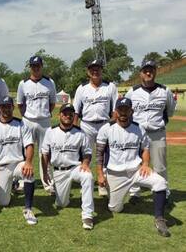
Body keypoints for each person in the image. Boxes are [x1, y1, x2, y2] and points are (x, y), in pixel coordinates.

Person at [96, 97, 170, 237]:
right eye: (120, 110)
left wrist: (146, 164)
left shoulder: (138, 128)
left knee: (160, 182)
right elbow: (99, 153)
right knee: (115, 208)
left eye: (126, 109)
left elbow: (146, 148)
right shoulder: (107, 128)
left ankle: (159, 218)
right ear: (115, 111)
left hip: (136, 170)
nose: (123, 112)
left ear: (132, 111)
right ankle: (114, 194)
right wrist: (100, 174)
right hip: (115, 173)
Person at [125, 60, 176, 202]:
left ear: (155, 72)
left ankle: (163, 191)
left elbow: (170, 111)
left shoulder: (165, 91)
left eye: (151, 70)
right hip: (137, 134)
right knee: (134, 164)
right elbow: (127, 112)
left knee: (160, 165)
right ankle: (135, 192)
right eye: (146, 70)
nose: (149, 73)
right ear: (140, 73)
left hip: (157, 133)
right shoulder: (132, 92)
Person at [0, 96, 37, 225]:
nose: (6, 109)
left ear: (13, 107)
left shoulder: (21, 124)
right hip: (1, 167)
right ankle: (13, 184)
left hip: (18, 163)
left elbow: (29, 145)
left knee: (28, 172)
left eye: (8, 106)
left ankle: (28, 209)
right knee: (3, 202)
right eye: (3, 106)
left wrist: (28, 162)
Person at [41, 103, 95, 230]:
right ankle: (59, 192)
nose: (67, 116)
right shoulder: (50, 131)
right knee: (62, 204)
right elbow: (45, 153)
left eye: (70, 114)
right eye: (65, 113)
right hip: (59, 171)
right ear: (59, 115)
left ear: (73, 116)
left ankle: (87, 215)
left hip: (75, 168)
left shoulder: (80, 133)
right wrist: (44, 173)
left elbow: (87, 152)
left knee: (88, 177)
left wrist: (86, 164)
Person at [72, 59, 118, 196]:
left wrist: (112, 126)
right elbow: (76, 111)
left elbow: (115, 110)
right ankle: (85, 182)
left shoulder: (110, 87)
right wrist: (75, 130)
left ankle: (102, 183)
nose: (95, 71)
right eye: (92, 69)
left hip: (104, 124)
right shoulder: (82, 88)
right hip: (86, 124)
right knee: (85, 154)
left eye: (97, 68)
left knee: (104, 155)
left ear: (101, 70)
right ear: (88, 72)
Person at [16, 55, 56, 193]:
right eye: (33, 66)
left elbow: (52, 103)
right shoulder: (23, 83)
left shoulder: (49, 82)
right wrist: (27, 116)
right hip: (28, 120)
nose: (36, 68)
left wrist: (43, 114)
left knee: (45, 152)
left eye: (38, 65)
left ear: (42, 66)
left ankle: (47, 182)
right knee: (26, 152)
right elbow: (20, 104)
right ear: (30, 67)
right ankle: (22, 181)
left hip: (44, 121)